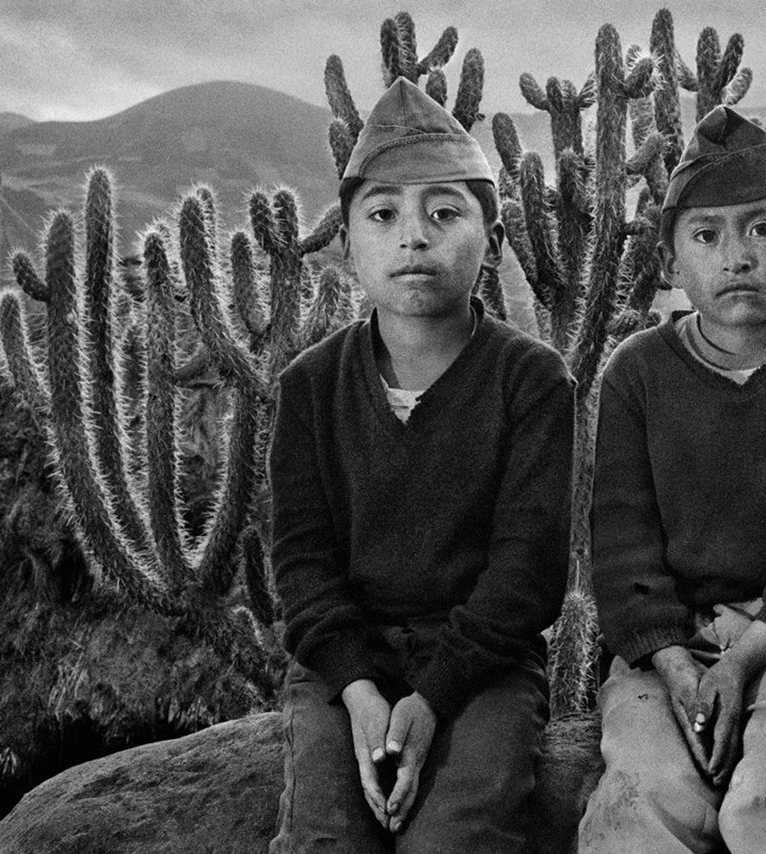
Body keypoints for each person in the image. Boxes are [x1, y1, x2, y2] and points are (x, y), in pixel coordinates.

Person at [267, 77, 574, 854]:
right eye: (383, 215)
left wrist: (434, 697)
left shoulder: (531, 381)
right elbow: (303, 566)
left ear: (493, 242)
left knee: (458, 837)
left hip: (484, 665)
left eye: (444, 213)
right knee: (323, 838)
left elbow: (528, 572)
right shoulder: (309, 388)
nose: (413, 237)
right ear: (346, 245)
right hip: (344, 665)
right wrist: (359, 690)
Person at [577, 105, 766, 854]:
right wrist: (675, 662)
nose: (736, 256)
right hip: (670, 643)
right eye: (707, 236)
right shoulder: (637, 373)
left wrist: (745, 662)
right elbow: (622, 542)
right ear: (669, 264)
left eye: (763, 229)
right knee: (637, 801)